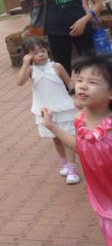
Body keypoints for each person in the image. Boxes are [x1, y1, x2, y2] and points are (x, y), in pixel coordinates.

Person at [42, 55, 112, 246]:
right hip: (102, 199)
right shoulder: (80, 120)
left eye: (92, 82)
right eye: (79, 80)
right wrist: (53, 127)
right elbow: (82, 148)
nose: (82, 85)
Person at [15, 37, 79, 184]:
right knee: (56, 139)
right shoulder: (31, 70)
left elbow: (68, 82)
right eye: (35, 53)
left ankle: (72, 168)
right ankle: (64, 161)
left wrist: (76, 92)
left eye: (43, 50)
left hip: (63, 108)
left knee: (67, 137)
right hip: (45, 111)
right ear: (28, 56)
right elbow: (19, 82)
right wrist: (25, 64)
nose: (41, 54)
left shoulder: (56, 67)